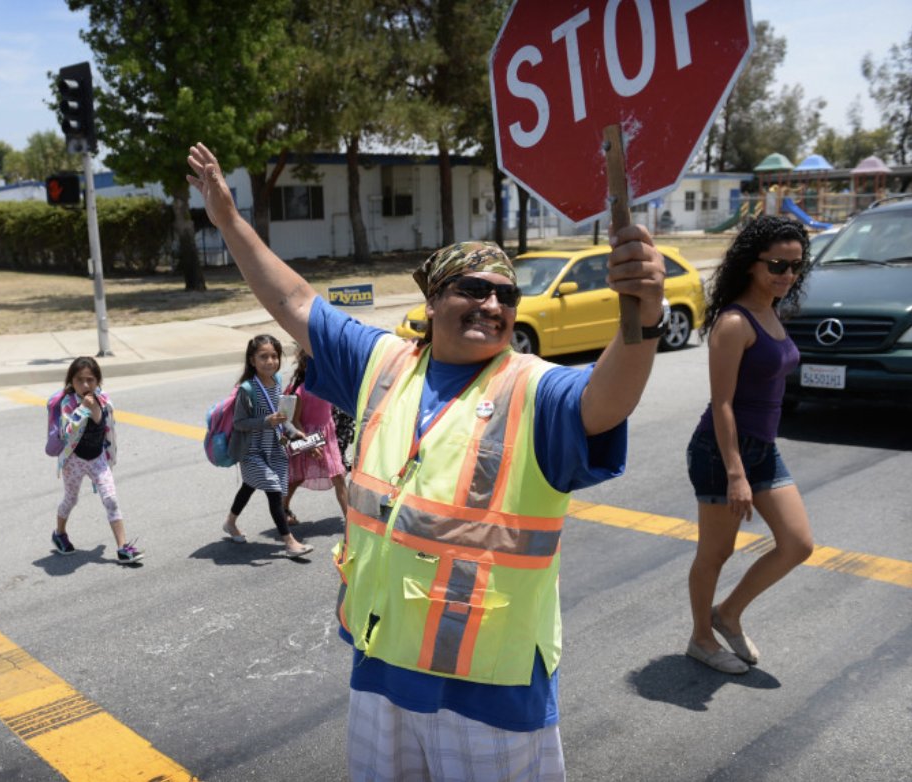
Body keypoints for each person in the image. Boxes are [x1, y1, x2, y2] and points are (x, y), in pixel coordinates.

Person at [188, 141, 666, 780]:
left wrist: (644, 316)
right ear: (434, 300)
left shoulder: (533, 386)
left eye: (506, 297)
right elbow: (296, 302)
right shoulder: (384, 363)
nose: (494, 305)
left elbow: (606, 402)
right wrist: (228, 219)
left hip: (491, 691)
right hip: (381, 666)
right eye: (474, 289)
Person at [684, 216, 815, 675]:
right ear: (751, 264)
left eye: (795, 267)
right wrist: (736, 474)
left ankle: (728, 613)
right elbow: (722, 404)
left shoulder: (770, 309)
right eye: (777, 265)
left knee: (798, 544)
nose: (786, 275)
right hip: (722, 453)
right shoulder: (734, 322)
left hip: (762, 447)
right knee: (715, 553)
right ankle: (701, 637)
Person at [221, 334, 315, 560]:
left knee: (249, 486)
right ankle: (290, 542)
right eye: (263, 357)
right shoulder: (247, 389)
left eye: (274, 356)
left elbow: (283, 418)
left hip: (274, 449)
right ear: (252, 360)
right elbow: (239, 423)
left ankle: (229, 523)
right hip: (252, 451)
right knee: (273, 489)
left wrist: (294, 432)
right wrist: (265, 421)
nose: (270, 361)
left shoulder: (278, 382)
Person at [52, 356, 144, 564]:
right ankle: (59, 533)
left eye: (90, 380)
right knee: (71, 499)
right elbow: (67, 432)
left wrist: (110, 454)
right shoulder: (68, 404)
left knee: (110, 499)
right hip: (74, 460)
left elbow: (108, 427)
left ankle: (122, 548)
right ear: (71, 382)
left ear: (98, 381)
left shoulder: (104, 400)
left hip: (98, 458)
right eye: (79, 380)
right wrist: (83, 408)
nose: (85, 385)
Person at [282, 348, 349, 523]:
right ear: (305, 365)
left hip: (328, 437)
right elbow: (294, 420)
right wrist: (309, 445)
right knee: (297, 477)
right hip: (307, 437)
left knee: (339, 476)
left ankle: (351, 521)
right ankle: (283, 508)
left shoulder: (328, 385)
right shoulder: (300, 390)